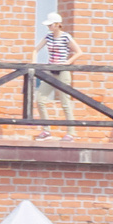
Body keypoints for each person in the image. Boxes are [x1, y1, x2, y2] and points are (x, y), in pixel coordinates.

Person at [33, 12, 77, 141]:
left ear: (58, 25)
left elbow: (79, 51)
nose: (49, 27)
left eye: (51, 25)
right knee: (40, 99)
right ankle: (46, 130)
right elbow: (36, 49)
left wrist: (68, 62)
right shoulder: (48, 37)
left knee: (65, 102)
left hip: (63, 72)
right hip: (50, 71)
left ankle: (71, 132)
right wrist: (33, 64)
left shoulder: (66, 37)